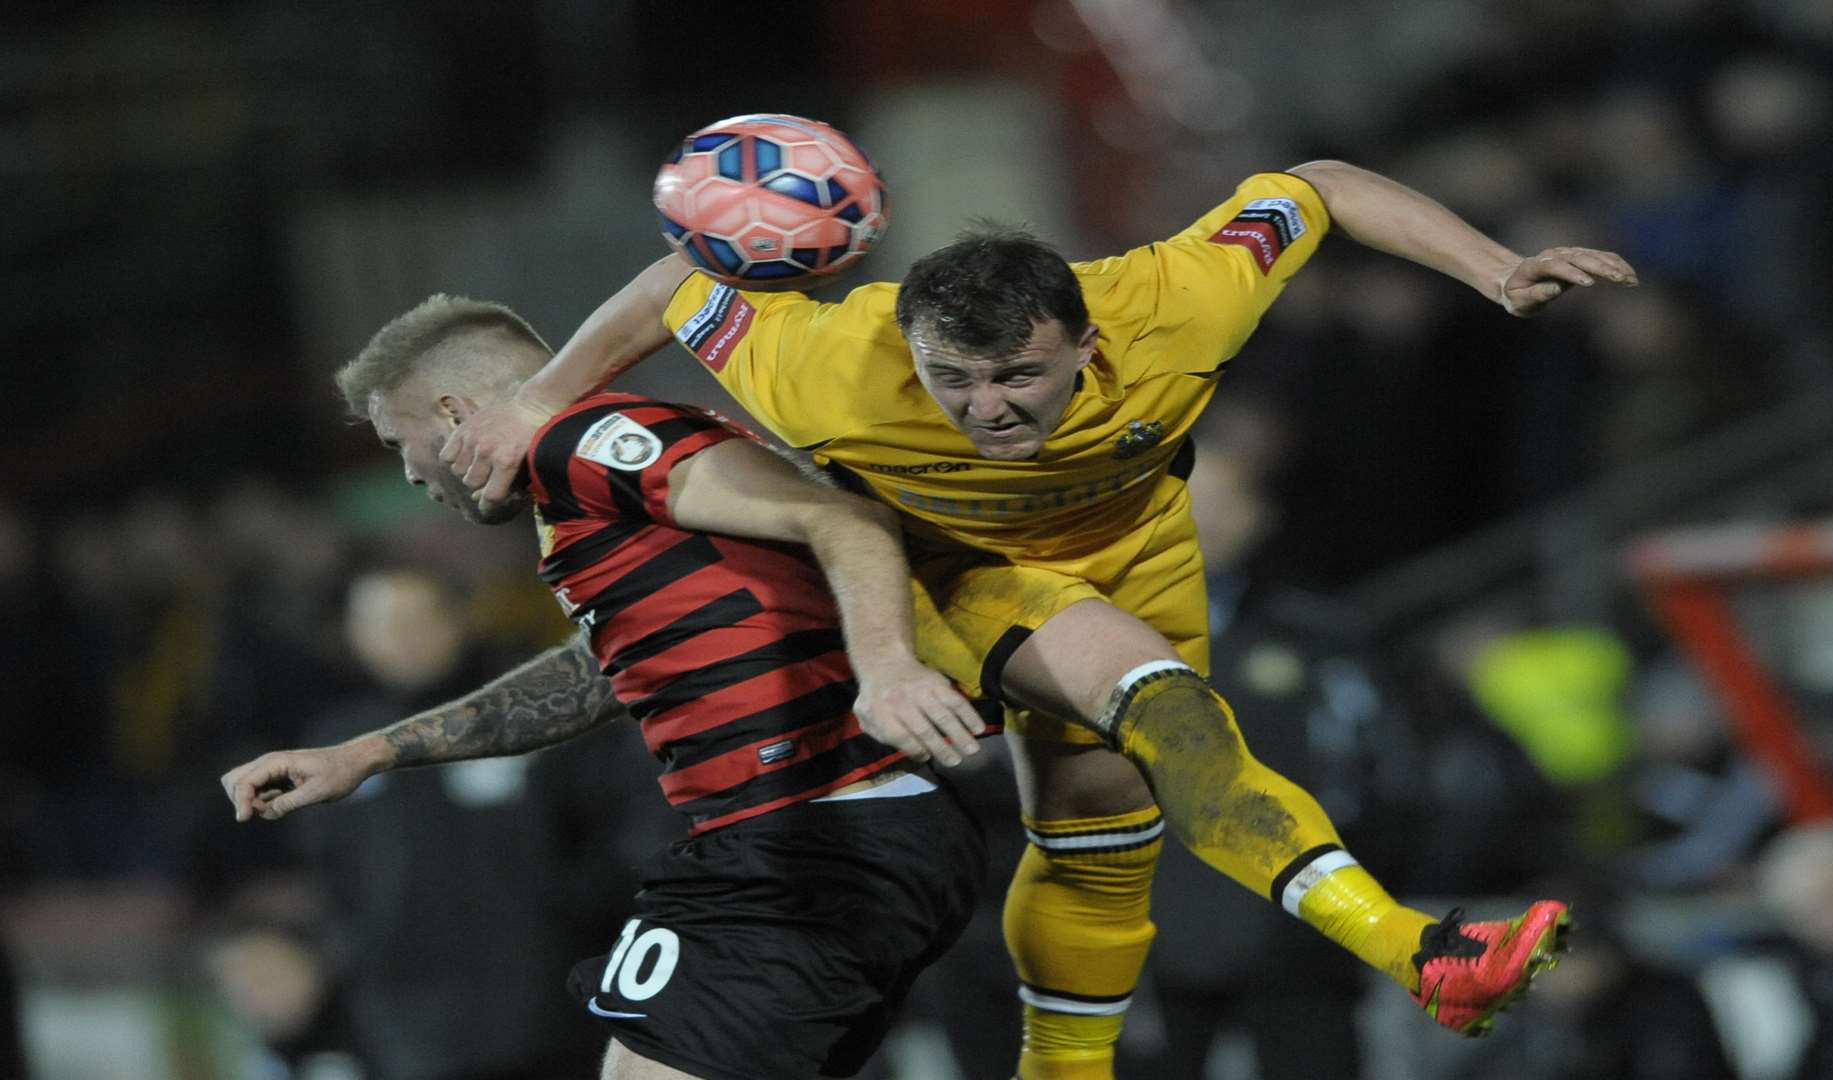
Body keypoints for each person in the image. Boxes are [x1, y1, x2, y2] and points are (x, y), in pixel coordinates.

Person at [444, 159, 1636, 1077]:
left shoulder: (1180, 298)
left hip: (1142, 549)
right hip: (968, 574)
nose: (985, 409)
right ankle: (1421, 954)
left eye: (1018, 375)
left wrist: (1492, 267)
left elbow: (1317, 187)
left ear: (1090, 339)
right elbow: (675, 282)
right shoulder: (822, 360)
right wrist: (542, 399)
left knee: (1099, 844)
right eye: (950, 380)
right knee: (1173, 716)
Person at [220, 295, 989, 1080]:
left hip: (821, 831)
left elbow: (841, 521)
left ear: (455, 412)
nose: (411, 472)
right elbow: (599, 673)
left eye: (400, 442)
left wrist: (889, 666)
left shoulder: (584, 441)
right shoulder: (583, 504)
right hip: (773, 839)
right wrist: (373, 752)